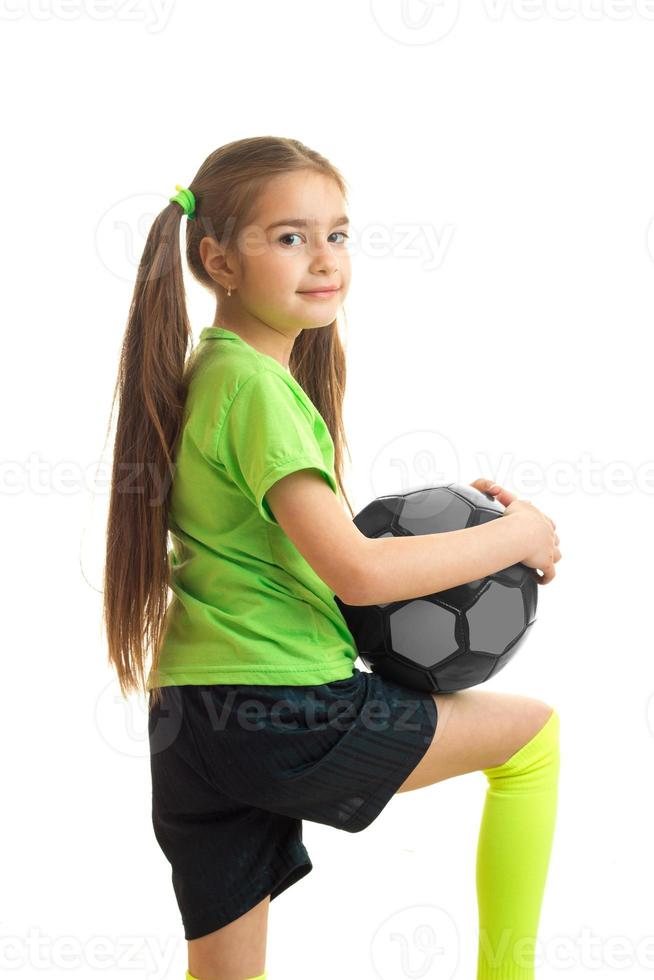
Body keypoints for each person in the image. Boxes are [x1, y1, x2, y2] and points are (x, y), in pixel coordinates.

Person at [102, 136, 563, 980]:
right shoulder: (260, 392)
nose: (325, 259)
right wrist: (517, 537)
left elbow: (295, 556)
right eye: (290, 237)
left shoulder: (210, 373)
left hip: (194, 714)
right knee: (531, 739)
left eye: (339, 235)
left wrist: (455, 532)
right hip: (282, 705)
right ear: (217, 260)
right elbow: (357, 572)